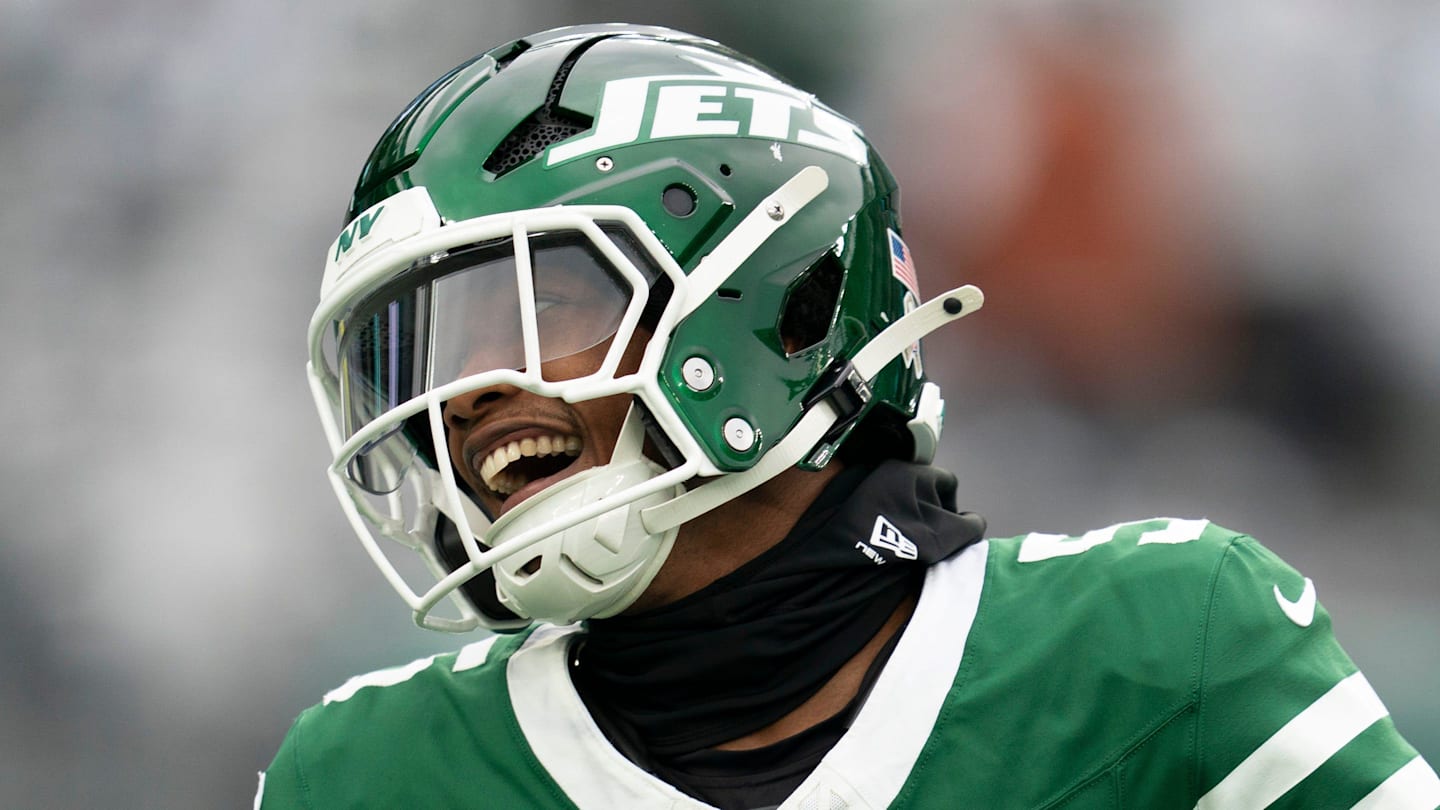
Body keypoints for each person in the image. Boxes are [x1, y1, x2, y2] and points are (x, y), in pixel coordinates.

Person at [258, 24, 1438, 809]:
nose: (462, 396)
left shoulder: (1166, 653)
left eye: (531, 306)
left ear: (771, 300)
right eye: (425, 348)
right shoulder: (368, 778)